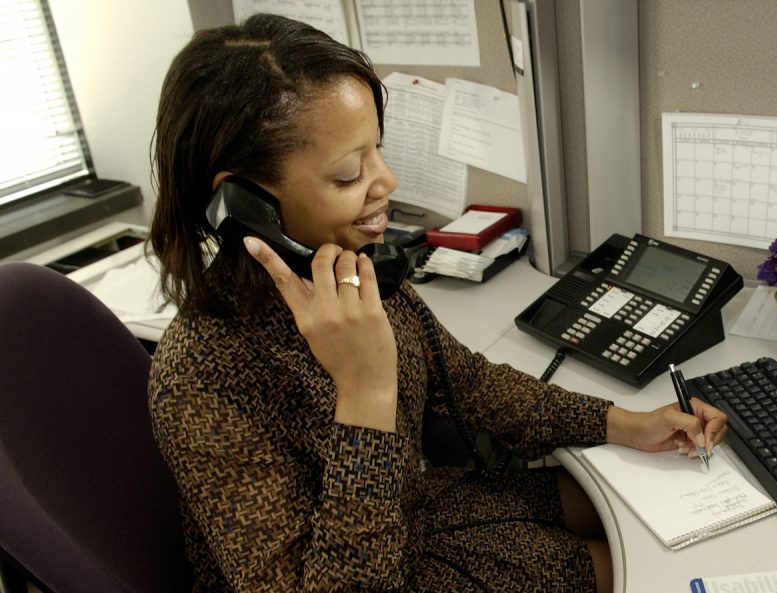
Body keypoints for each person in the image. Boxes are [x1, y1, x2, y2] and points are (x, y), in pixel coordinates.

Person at [146, 13, 727, 593]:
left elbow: (472, 384)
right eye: (349, 174)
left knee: (630, 509)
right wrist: (365, 391)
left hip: (415, 519)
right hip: (363, 571)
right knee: (644, 578)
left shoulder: (354, 270)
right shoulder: (202, 376)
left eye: (377, 150)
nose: (387, 181)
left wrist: (625, 423)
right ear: (243, 201)